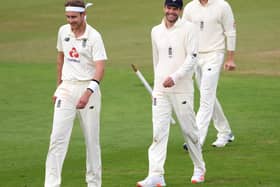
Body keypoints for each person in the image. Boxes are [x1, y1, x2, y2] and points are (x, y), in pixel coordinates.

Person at [137, 0, 206, 186]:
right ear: (164, 8)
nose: (171, 12)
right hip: (161, 91)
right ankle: (156, 174)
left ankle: (199, 168)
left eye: (175, 9)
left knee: (189, 131)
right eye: (169, 8)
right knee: (158, 132)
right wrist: (157, 87)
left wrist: (175, 77)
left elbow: (192, 58)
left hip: (182, 89)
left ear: (180, 10)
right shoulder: (155, 31)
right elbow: (156, 60)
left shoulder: (189, 29)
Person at [44, 0, 107, 187]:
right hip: (67, 88)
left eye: (74, 17)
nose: (70, 21)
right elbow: (60, 58)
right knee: (57, 139)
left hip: (88, 90)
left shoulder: (94, 36)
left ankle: (94, 184)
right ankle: (51, 184)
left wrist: (88, 93)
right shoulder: (63, 31)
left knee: (91, 141)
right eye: (68, 17)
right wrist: (59, 87)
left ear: (83, 15)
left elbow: (100, 68)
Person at [182, 0, 236, 148]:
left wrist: (230, 59)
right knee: (209, 95)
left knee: (206, 96)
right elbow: (183, 33)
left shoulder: (222, 6)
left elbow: (230, 32)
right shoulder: (190, 7)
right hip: (195, 56)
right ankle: (225, 132)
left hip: (214, 55)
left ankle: (196, 139)